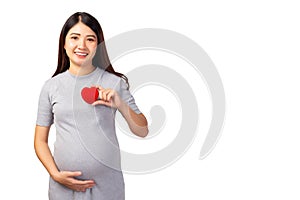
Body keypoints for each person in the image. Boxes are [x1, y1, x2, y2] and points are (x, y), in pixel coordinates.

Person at [34, 12, 148, 200]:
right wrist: (55, 174)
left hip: (107, 188)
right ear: (64, 43)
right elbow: (40, 141)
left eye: (90, 39)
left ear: (98, 46)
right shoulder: (51, 87)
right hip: (62, 189)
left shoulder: (114, 83)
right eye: (75, 38)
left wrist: (120, 103)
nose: (82, 45)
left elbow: (143, 130)